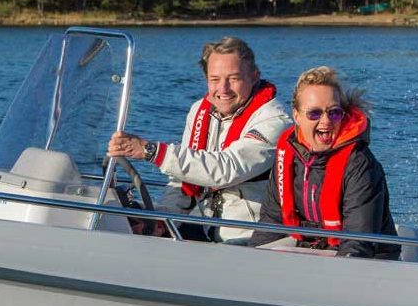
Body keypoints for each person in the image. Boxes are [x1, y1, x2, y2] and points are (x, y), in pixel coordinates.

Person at [107, 37, 291, 242]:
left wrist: (151, 151)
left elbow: (226, 169)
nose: (223, 89)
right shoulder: (199, 111)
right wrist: (164, 219)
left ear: (254, 77)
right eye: (215, 79)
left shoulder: (275, 120)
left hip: (249, 236)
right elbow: (184, 179)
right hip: (205, 228)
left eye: (234, 78)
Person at [247, 67, 399, 259]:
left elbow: (359, 241)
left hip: (370, 260)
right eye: (314, 113)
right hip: (312, 252)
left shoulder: (360, 164)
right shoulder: (287, 155)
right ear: (296, 115)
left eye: (334, 112)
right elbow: (271, 221)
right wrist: (250, 260)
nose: (326, 121)